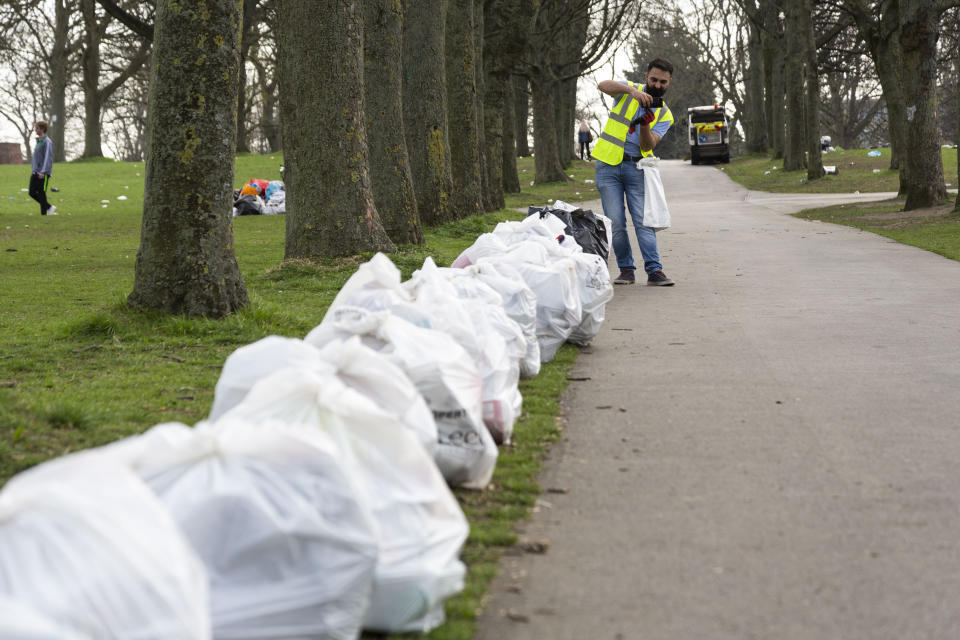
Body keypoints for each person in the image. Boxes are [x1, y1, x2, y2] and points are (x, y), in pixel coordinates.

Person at [592, 58, 675, 286]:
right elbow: (603, 84)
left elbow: (648, 146)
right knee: (616, 221)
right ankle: (626, 270)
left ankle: (654, 271)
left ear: (669, 83)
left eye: (663, 82)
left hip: (637, 168)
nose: (657, 85)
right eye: (654, 79)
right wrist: (630, 91)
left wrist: (645, 124)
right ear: (646, 76)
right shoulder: (628, 91)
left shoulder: (665, 115)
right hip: (608, 166)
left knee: (643, 221)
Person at [29, 120, 56, 216]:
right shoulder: (39, 141)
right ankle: (49, 207)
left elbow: (48, 158)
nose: (35, 130)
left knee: (41, 192)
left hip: (43, 172)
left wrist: (43, 172)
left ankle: (44, 214)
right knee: (31, 192)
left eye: (37, 128)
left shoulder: (47, 142)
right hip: (35, 171)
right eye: (35, 128)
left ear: (43, 129)